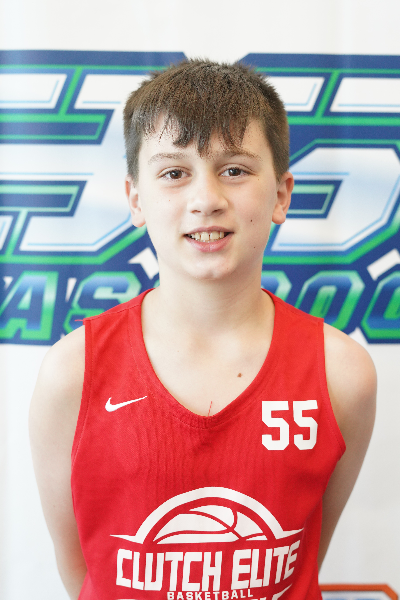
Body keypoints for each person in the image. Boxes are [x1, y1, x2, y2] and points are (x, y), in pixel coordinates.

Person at [29, 60, 376, 600]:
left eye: (234, 170)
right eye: (174, 173)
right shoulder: (72, 373)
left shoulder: (342, 374)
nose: (206, 198)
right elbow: (81, 566)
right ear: (136, 199)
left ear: (281, 194)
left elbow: (304, 554)